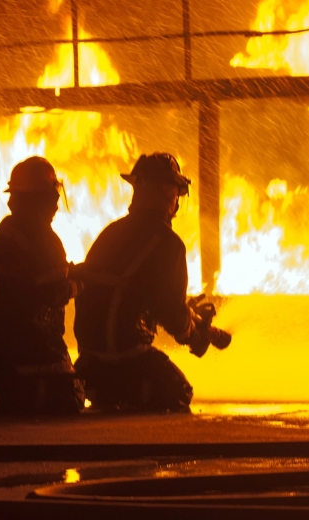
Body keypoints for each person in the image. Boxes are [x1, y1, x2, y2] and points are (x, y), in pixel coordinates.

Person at [74, 153, 228, 413]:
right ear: (170, 193)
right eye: (177, 193)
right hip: (128, 358)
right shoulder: (169, 244)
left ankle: (111, 394)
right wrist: (193, 333)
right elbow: (172, 315)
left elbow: (132, 292)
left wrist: (186, 311)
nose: (177, 200)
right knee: (178, 393)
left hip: (88, 364)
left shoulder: (111, 232)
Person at [0, 157, 84, 415]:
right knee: (72, 401)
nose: (57, 203)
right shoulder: (40, 239)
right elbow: (51, 291)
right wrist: (81, 284)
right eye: (53, 196)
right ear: (45, 199)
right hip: (36, 360)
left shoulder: (7, 232)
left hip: (9, 362)